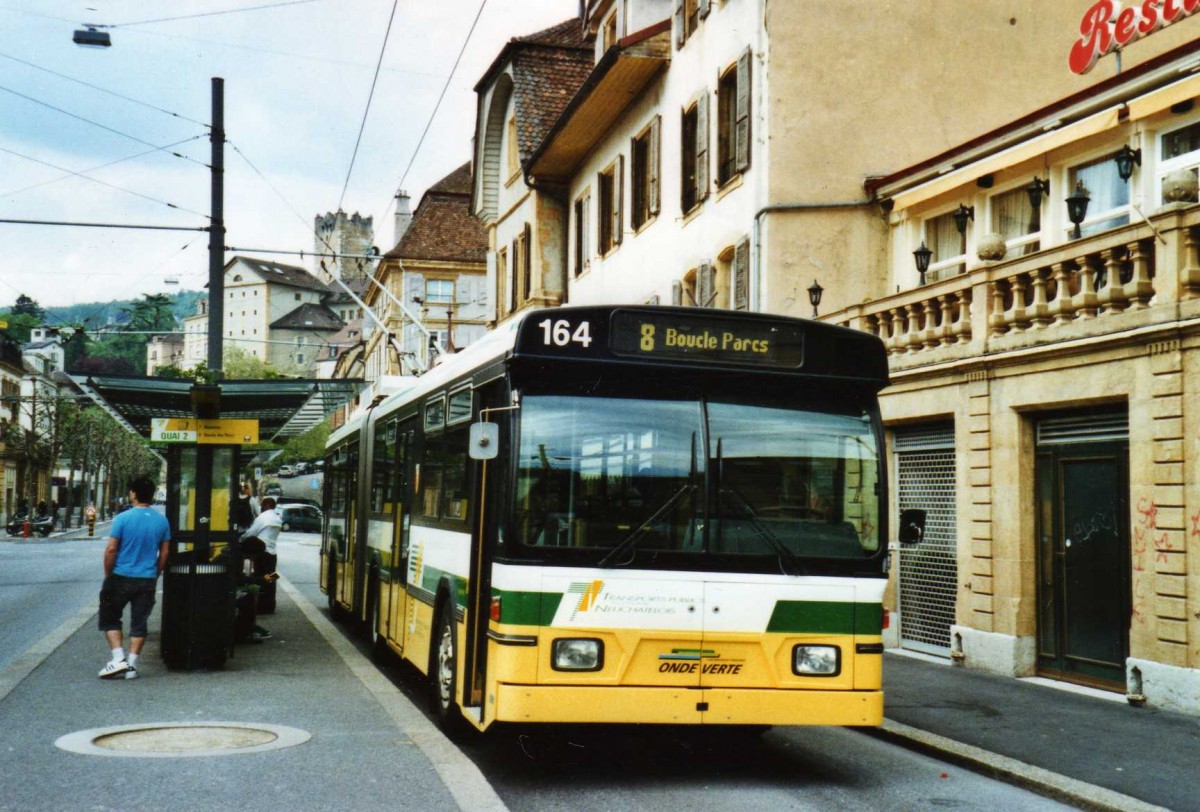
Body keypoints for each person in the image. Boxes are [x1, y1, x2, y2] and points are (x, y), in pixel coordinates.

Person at [97, 477, 170, 680]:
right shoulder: (161, 520)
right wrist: (156, 573)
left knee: (110, 616)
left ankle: (118, 658)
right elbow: (164, 553)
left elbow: (111, 549)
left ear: (134, 494)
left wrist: (108, 574)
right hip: (146, 578)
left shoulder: (123, 518)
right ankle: (131, 665)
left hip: (121, 575)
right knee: (139, 622)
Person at [218, 536, 275, 643]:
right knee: (247, 600)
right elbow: (238, 579)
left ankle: (247, 631)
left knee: (249, 596)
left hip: (221, 588)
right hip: (221, 591)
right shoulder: (236, 558)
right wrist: (259, 580)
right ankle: (244, 634)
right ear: (252, 552)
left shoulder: (233, 552)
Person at [240, 496, 282, 614]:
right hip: (272, 553)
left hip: (261, 552)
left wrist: (241, 539)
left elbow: (251, 532)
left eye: (262, 505)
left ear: (267, 505)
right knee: (271, 577)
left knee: (260, 578)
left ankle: (261, 606)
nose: (261, 507)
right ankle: (270, 605)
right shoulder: (277, 518)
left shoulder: (263, 517)